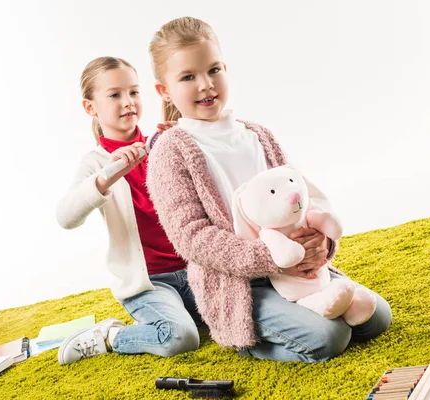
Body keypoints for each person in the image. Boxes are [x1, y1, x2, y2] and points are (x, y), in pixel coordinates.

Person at [145, 17, 392, 362]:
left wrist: (318, 243)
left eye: (213, 70)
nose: (205, 84)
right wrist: (273, 259)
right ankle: (246, 338)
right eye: (188, 77)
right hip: (241, 286)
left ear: (225, 68)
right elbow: (192, 237)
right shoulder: (170, 151)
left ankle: (305, 304)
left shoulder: (257, 134)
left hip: (296, 269)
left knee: (378, 318)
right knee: (329, 337)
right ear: (164, 90)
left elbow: (297, 199)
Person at [55, 56, 202, 365]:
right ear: (90, 107)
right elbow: (66, 216)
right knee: (180, 337)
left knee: (244, 311)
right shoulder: (96, 163)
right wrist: (107, 175)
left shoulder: (161, 144)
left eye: (134, 92)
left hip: (194, 269)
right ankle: (110, 336)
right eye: (115, 95)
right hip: (150, 282)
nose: (128, 102)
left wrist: (191, 143)